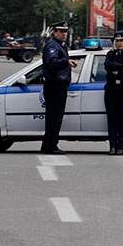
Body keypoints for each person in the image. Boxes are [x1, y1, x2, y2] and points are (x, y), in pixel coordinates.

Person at [40, 22, 78, 154]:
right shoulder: (52, 45)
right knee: (54, 118)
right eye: (61, 31)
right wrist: (66, 61)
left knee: (55, 118)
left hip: (59, 85)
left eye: (65, 31)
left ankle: (48, 145)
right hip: (54, 85)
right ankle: (50, 146)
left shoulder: (60, 45)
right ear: (54, 32)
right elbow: (51, 63)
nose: (64, 34)